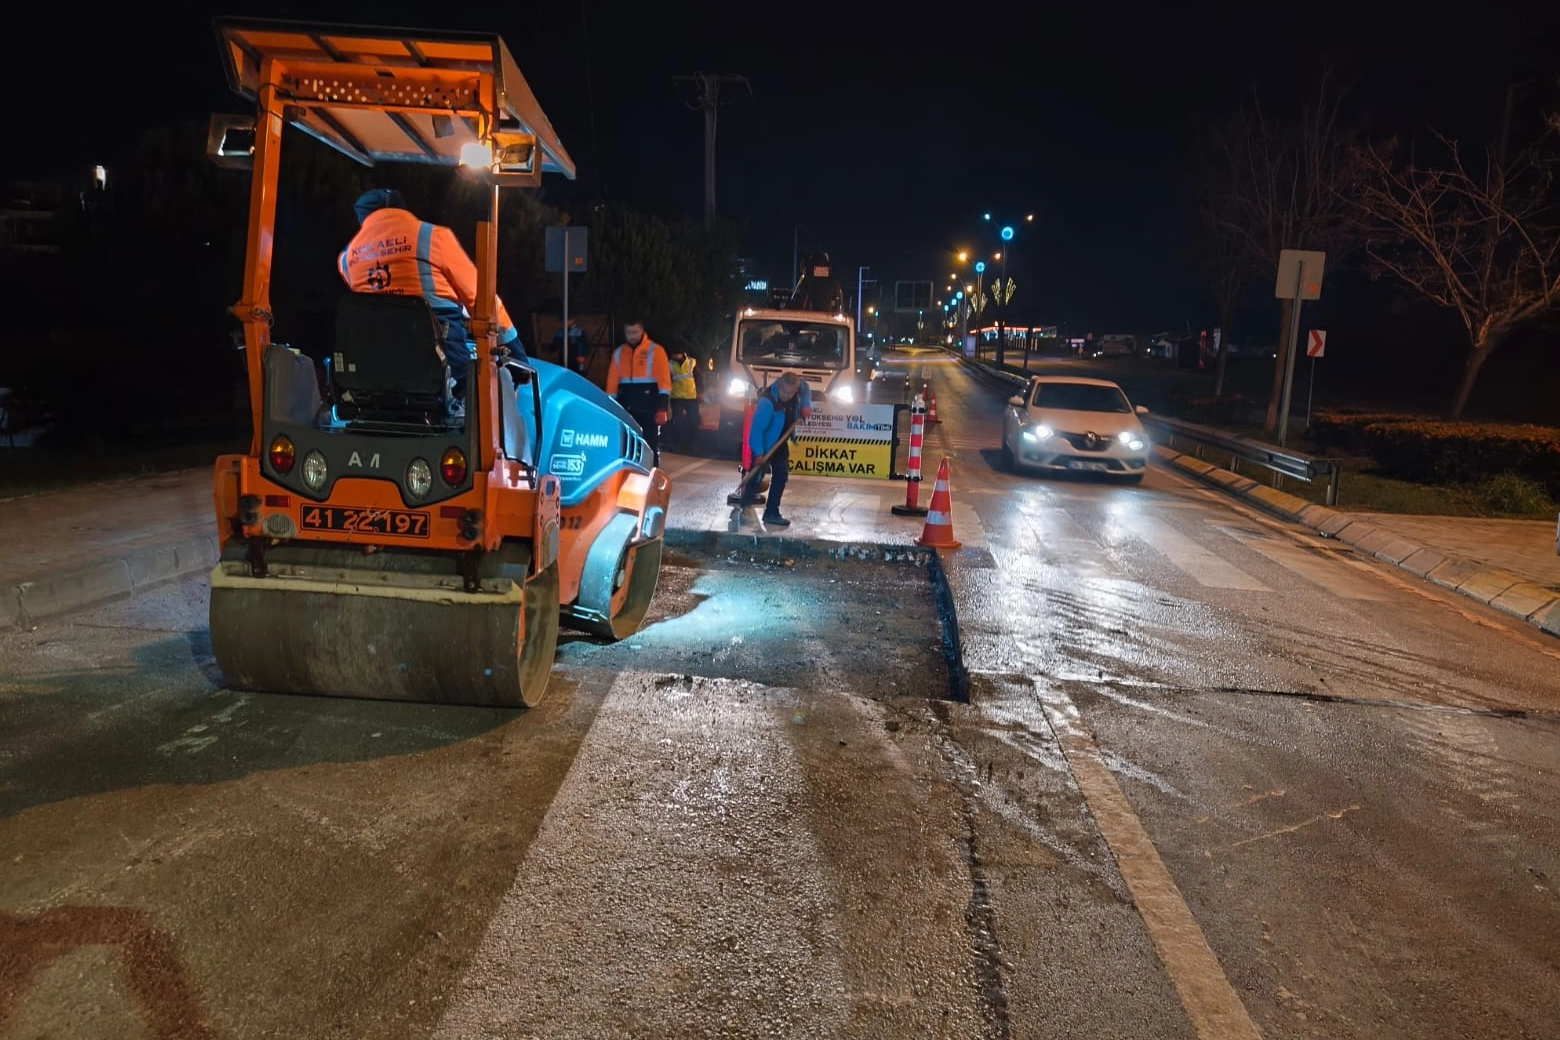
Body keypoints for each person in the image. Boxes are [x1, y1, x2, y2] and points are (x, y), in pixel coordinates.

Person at [338, 188, 524, 403]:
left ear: (362, 217)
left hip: (373, 372)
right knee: (482, 401)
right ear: (401, 209)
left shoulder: (346, 259)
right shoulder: (433, 237)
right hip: (441, 364)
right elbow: (480, 298)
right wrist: (515, 350)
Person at [734, 372, 803, 529]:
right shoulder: (767, 402)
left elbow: (805, 390)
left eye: (790, 392)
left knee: (780, 475)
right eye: (784, 391)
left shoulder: (796, 393)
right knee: (756, 477)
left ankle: (772, 512)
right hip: (764, 445)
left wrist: (804, 409)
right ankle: (744, 508)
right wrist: (758, 453)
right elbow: (756, 430)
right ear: (778, 385)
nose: (786, 395)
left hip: (780, 443)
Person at [605, 319, 672, 467]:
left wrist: (662, 408)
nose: (632, 336)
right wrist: (611, 408)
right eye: (628, 332)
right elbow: (611, 384)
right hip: (625, 407)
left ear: (642, 330)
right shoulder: (619, 353)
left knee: (649, 447)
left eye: (635, 332)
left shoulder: (656, 351)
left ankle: (651, 480)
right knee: (624, 447)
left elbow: (664, 383)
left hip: (649, 407)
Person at [668, 346, 700, 451]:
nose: (673, 356)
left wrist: (701, 391)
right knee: (677, 421)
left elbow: (698, 377)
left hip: (691, 396)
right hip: (677, 396)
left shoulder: (692, 362)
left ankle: (693, 444)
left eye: (675, 354)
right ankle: (676, 444)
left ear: (681, 353)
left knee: (694, 420)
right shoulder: (670, 364)